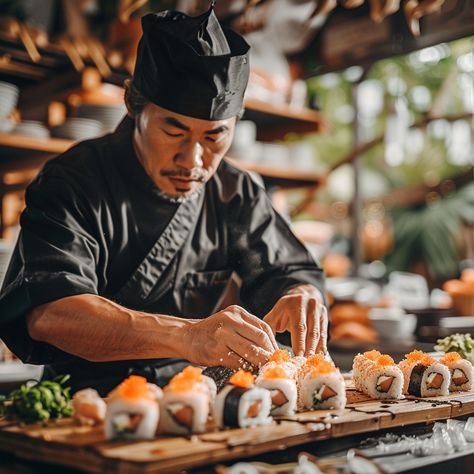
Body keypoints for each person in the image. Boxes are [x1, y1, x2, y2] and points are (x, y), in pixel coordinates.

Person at [0, 5, 327, 395]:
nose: (192, 161)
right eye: (173, 132)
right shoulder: (72, 180)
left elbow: (288, 272)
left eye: (214, 138)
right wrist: (189, 336)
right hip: (82, 403)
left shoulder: (235, 192)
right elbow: (52, 312)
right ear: (133, 107)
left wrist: (300, 295)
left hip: (193, 399)